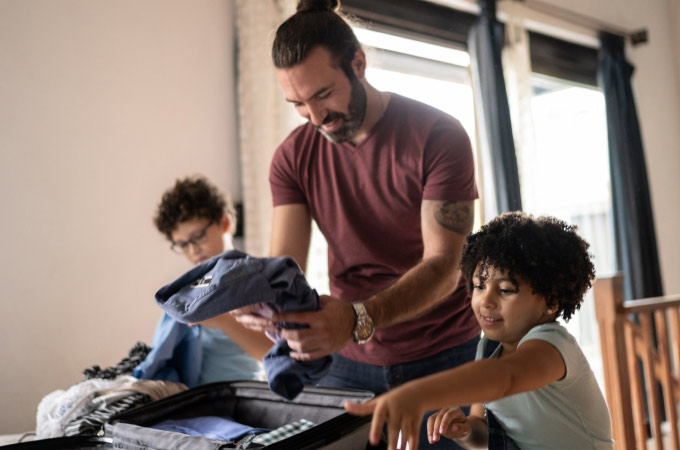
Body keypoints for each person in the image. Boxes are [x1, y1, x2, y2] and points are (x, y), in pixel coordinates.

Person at [233, 1, 479, 448]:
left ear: (358, 63)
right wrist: (256, 297)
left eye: (323, 95)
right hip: (347, 365)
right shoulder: (291, 157)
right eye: (298, 104)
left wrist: (359, 317)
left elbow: (446, 265)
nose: (316, 118)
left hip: (445, 355)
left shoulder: (439, 136)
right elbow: (283, 268)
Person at [345, 212, 614, 450]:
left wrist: (417, 394)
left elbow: (505, 378)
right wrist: (464, 431)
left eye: (506, 290)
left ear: (550, 303)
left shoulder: (552, 346)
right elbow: (482, 434)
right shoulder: (487, 348)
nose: (486, 301)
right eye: (479, 286)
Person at [152, 176, 273, 384]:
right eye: (182, 244)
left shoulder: (254, 278)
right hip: (194, 400)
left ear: (225, 222)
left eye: (198, 236)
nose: (192, 250)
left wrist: (222, 320)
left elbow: (276, 352)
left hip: (240, 398)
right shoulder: (190, 289)